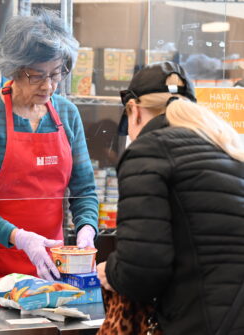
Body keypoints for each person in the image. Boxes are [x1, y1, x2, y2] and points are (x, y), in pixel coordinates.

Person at [97, 61, 244, 334]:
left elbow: (141, 270)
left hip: (204, 321)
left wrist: (110, 271)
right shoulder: (227, 146)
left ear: (135, 111)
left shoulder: (147, 151)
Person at [0, 9, 98, 286]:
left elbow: (85, 191)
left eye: (57, 74)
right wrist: (19, 237)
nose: (48, 86)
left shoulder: (67, 114)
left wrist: (87, 228)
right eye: (37, 76)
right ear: (15, 69)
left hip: (48, 263)